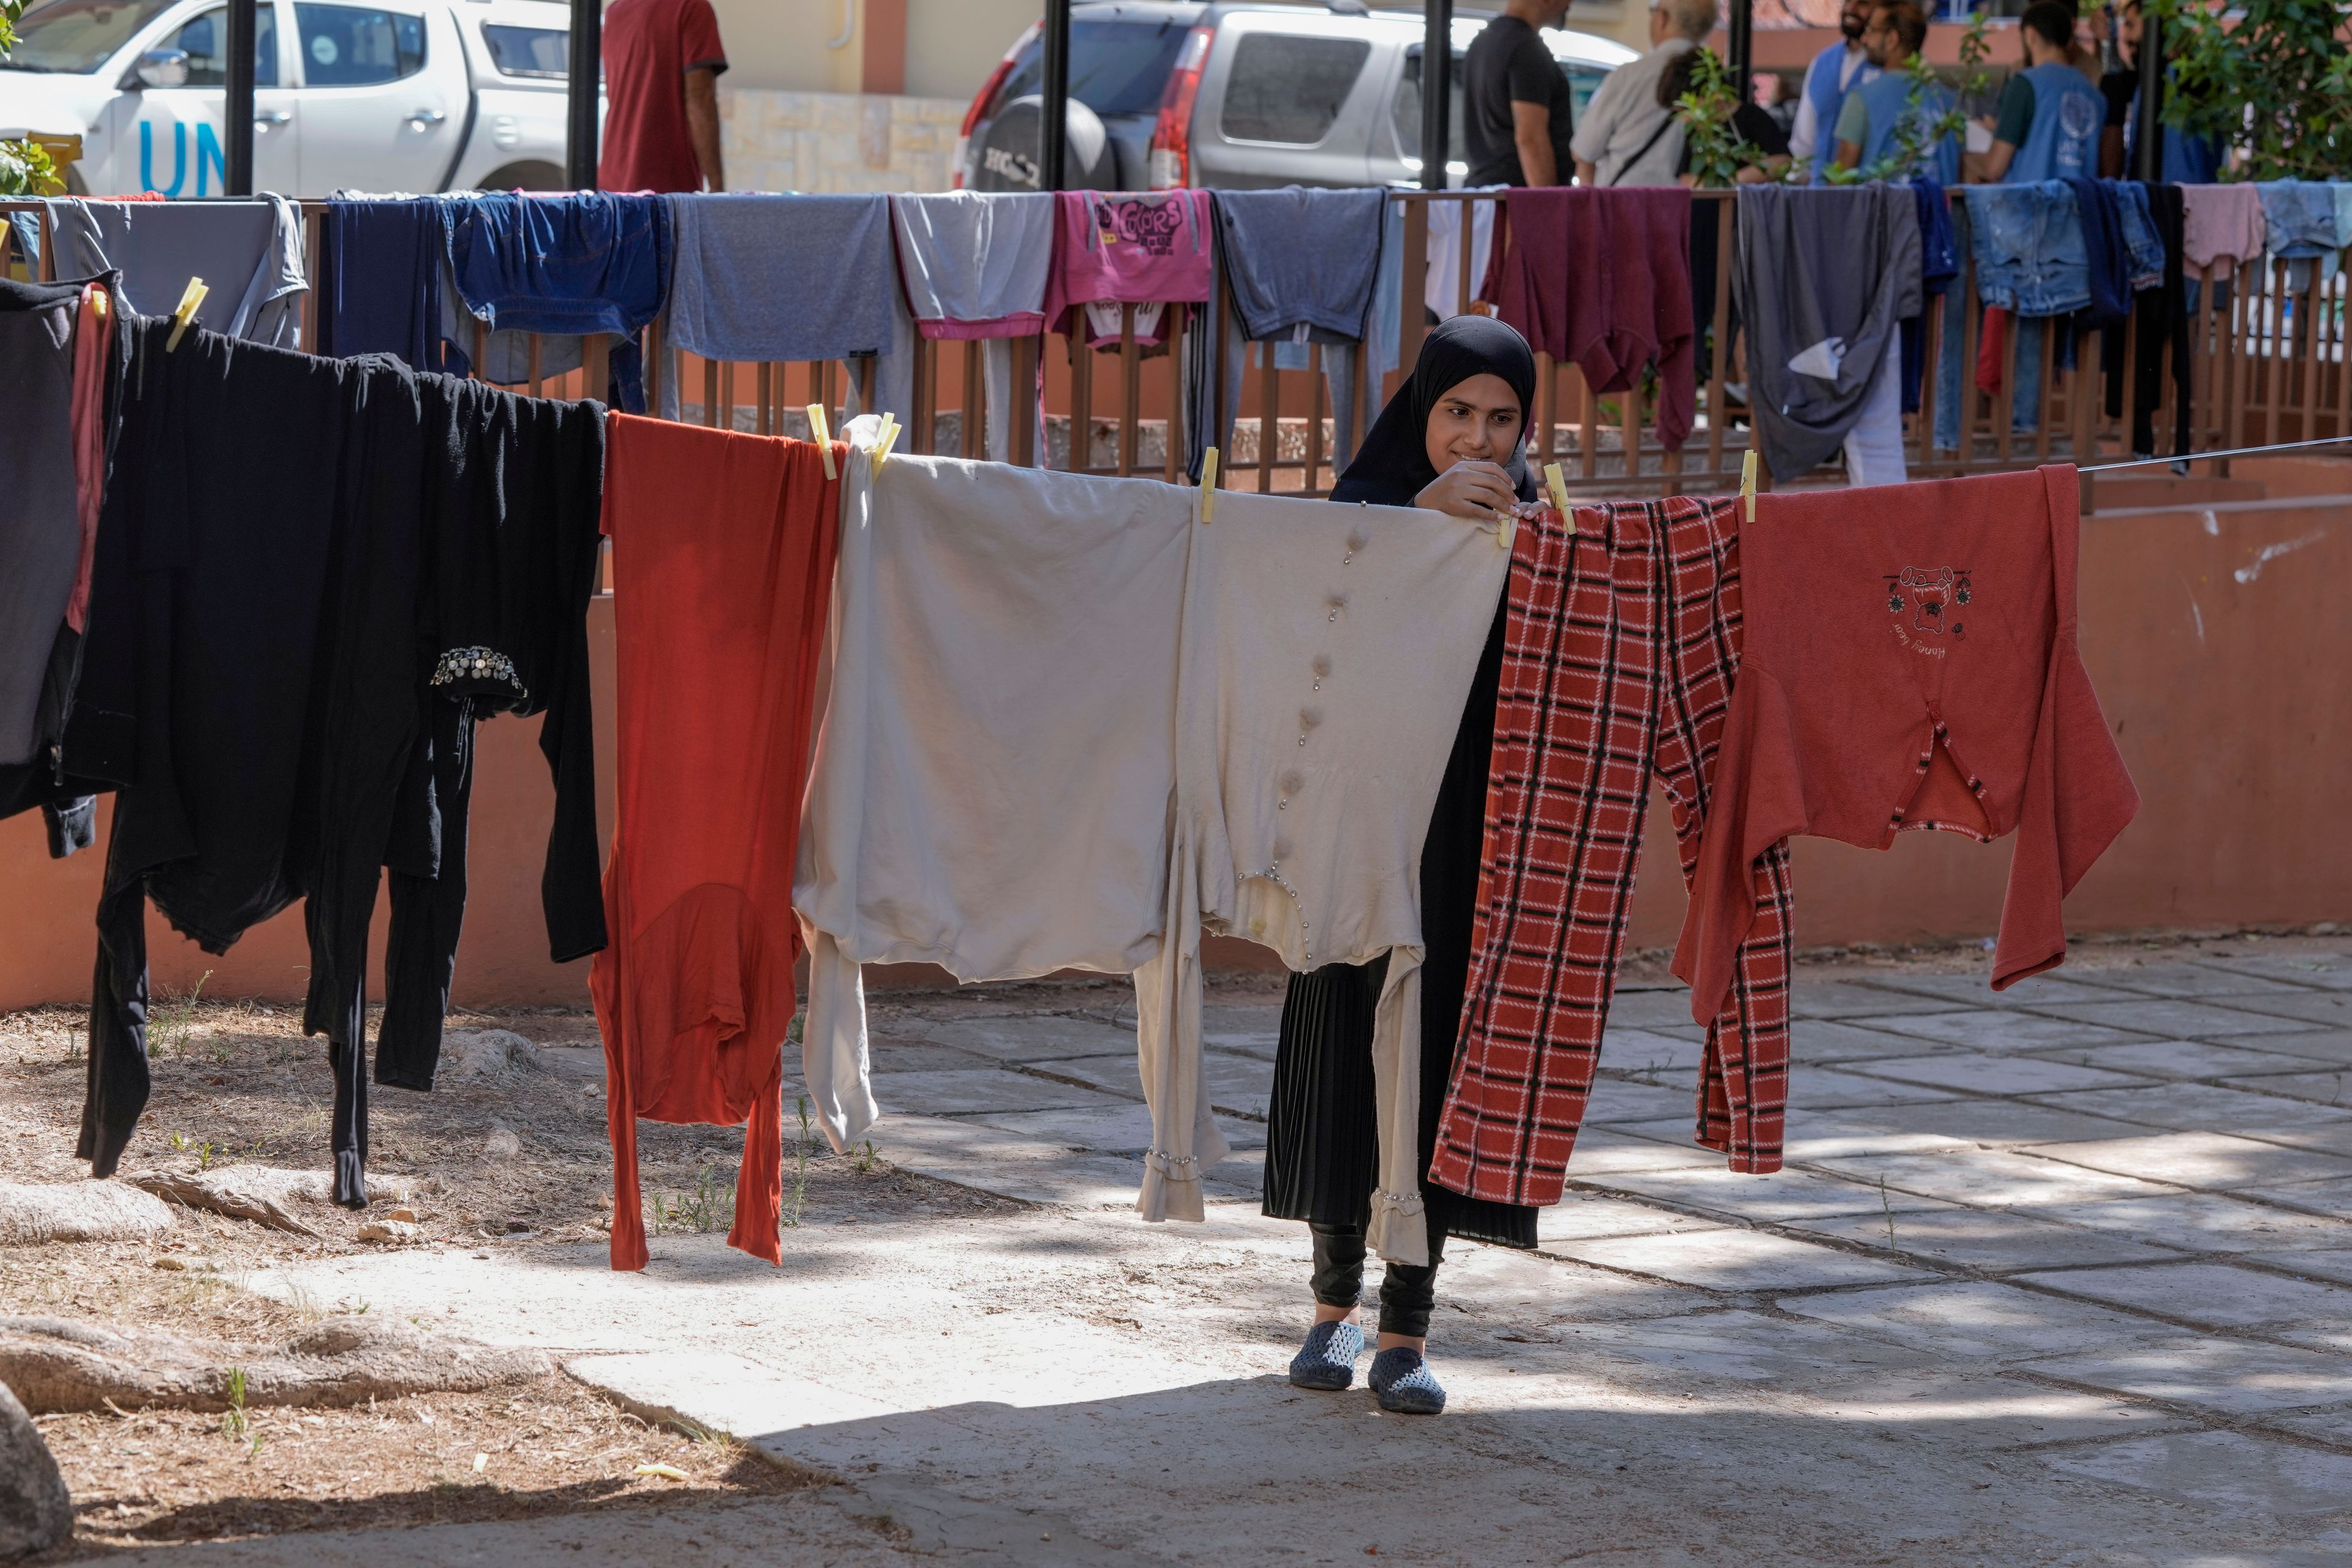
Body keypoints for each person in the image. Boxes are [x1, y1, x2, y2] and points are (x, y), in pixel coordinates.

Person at [1273, 315, 1544, 1420]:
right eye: (1456, 414)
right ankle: (1329, 1311)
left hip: (1466, 833)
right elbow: (1309, 597)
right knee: (1343, 1041)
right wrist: (1409, 523)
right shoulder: (1365, 508)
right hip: (1358, 824)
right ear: (1420, 411)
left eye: (1501, 420)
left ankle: (1407, 1328)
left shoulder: (1534, 526)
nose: (1477, 440)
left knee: (1437, 1066)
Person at [1570, 0, 1722, 188]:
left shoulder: (1629, 76)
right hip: (1693, 207)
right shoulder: (1719, 82)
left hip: (1625, 202)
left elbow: (1584, 151)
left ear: (1662, 19)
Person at [599, 0, 728, 194]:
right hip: (666, 189)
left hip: (614, 184)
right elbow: (700, 100)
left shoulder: (615, 11)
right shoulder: (691, 7)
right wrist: (717, 186)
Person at [1970, 1, 2104, 184]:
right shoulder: (2095, 96)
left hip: (2031, 205)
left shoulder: (2025, 84)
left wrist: (1964, 159)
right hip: (2080, 206)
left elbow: (1994, 168)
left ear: (2030, 35)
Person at [1832, 2, 1959, 185]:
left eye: (1871, 30)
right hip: (1938, 212)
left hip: (1881, 212)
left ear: (1891, 39)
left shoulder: (1861, 98)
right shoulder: (1950, 102)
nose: (1865, 39)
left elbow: (1840, 182)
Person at [2097, 0, 2223, 183]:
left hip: (2184, 198)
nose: (2126, 37)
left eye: (2131, 25)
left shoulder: (2192, 77)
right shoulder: (2145, 81)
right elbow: (2110, 83)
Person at [1463, 0, 1580, 187]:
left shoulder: (1484, 40)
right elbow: (1531, 139)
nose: (1570, 4)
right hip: (1516, 201)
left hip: (1487, 195)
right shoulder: (1527, 49)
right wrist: (1548, 207)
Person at [1786, 0, 1878, 184]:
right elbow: (1804, 142)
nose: (1851, 9)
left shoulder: (1889, 67)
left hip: (1869, 197)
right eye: (1847, 2)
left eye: (1863, 3)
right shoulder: (1822, 62)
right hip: (1818, 197)